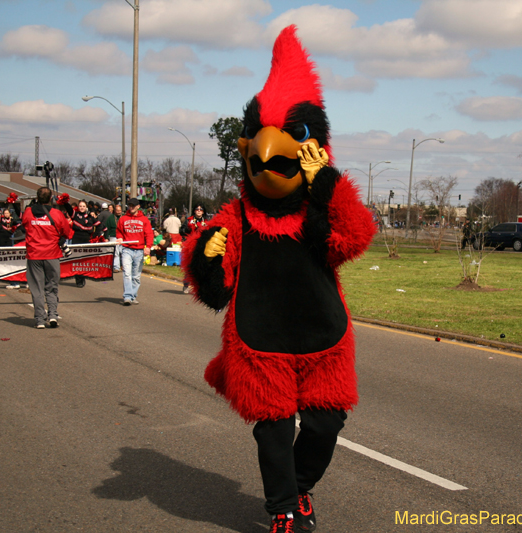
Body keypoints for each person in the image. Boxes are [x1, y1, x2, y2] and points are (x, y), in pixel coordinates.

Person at [182, 27, 375, 533]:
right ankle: (284, 509)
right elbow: (212, 289)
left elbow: (353, 238)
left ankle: (302, 487)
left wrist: (327, 184)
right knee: (271, 430)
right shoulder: (236, 216)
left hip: (323, 341)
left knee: (326, 422)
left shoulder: (321, 205)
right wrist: (206, 255)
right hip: (258, 343)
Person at [21, 187, 73, 329]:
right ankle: (52, 315)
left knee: (37, 288)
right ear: (51, 198)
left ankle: (39, 319)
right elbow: (66, 233)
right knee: (52, 287)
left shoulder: (28, 213)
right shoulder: (56, 214)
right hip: (52, 255)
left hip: (34, 255)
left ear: (37, 198)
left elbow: (23, 226)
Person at [116, 198, 151, 305]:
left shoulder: (144, 219)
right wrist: (120, 238)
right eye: (129, 205)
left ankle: (133, 295)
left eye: (133, 206)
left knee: (136, 276)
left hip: (139, 250)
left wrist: (148, 247)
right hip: (127, 249)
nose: (131, 207)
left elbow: (149, 234)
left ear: (138, 206)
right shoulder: (123, 219)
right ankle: (127, 296)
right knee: (127, 273)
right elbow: (119, 231)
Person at [70, 199, 101, 288]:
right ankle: (78, 279)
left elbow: (100, 225)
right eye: (80, 206)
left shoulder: (90, 217)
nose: (82, 208)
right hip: (76, 239)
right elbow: (68, 209)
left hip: (86, 239)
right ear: (78, 207)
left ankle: (82, 277)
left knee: (84, 260)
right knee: (76, 260)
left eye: (83, 206)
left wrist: (95, 235)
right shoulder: (75, 215)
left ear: (86, 207)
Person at [179, 204, 208, 293]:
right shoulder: (189, 220)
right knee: (190, 266)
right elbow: (181, 231)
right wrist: (187, 229)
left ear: (203, 211)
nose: (199, 211)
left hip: (202, 246)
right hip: (190, 246)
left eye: (201, 209)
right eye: (197, 209)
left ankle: (199, 287)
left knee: (201, 267)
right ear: (194, 211)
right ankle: (186, 285)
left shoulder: (206, 222)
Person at [106, 204, 123, 272]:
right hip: (113, 237)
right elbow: (107, 228)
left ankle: (123, 266)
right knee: (116, 252)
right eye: (117, 210)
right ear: (115, 210)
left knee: (123, 252)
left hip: (123, 237)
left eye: (120, 210)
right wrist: (106, 237)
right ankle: (116, 267)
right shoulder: (110, 218)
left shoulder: (123, 217)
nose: (118, 212)